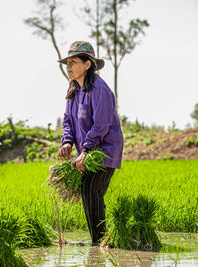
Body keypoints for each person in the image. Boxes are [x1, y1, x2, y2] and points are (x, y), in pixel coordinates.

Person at [57, 41, 124, 245]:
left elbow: (102, 124)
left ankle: (99, 243)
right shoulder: (73, 89)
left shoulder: (100, 90)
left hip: (105, 149)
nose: (68, 66)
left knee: (90, 189)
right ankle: (102, 241)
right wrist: (67, 141)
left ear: (87, 64)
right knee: (90, 193)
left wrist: (85, 150)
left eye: (74, 62)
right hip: (86, 151)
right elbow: (68, 119)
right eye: (67, 62)